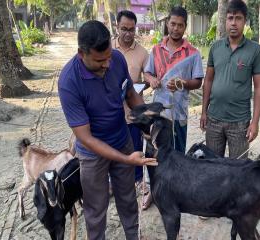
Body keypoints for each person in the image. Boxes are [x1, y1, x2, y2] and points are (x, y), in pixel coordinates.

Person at [58, 20, 156, 240]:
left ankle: (133, 236)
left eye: (109, 57)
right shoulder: (69, 82)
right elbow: (86, 138)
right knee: (95, 208)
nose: (107, 64)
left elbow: (130, 93)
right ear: (81, 53)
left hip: (122, 140)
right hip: (92, 154)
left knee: (128, 198)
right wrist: (126, 159)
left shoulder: (116, 59)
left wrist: (148, 120)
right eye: (100, 60)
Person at [200, 0, 260, 159]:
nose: (233, 23)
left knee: (238, 171)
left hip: (240, 123)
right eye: (230, 18)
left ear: (245, 22)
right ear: (225, 21)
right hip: (214, 119)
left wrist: (255, 122)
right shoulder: (216, 47)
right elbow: (208, 81)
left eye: (238, 18)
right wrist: (203, 112)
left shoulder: (255, 50)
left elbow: (258, 88)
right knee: (213, 167)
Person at [144, 6, 204, 153]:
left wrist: (182, 83)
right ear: (167, 24)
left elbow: (198, 82)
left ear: (185, 27)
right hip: (158, 111)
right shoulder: (156, 50)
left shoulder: (193, 53)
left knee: (177, 153)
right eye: (173, 24)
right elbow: (147, 73)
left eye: (180, 25)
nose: (176, 28)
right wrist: (152, 79)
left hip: (179, 112)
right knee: (155, 153)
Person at [112, 10, 150, 206]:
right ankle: (114, 181)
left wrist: (136, 88)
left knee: (135, 146)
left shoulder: (143, 53)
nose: (128, 33)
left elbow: (148, 79)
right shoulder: (107, 48)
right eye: (124, 29)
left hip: (133, 111)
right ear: (117, 27)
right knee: (113, 145)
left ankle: (138, 180)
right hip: (111, 111)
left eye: (131, 29)